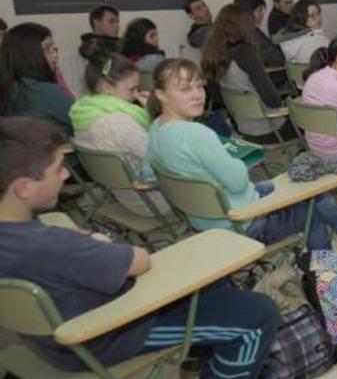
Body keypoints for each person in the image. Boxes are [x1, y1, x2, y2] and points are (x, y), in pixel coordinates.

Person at [0, 116, 283, 377]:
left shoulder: (22, 236)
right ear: (24, 187)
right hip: (105, 337)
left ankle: (204, 350)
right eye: (58, 168)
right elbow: (139, 261)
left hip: (49, 336)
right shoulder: (54, 245)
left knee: (212, 284)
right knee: (259, 316)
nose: (65, 176)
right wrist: (92, 242)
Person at [141, 58, 337, 255]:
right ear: (160, 94)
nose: (197, 94)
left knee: (306, 188)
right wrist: (232, 154)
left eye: (199, 86)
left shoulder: (155, 129)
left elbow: (148, 174)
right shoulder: (197, 134)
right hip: (243, 221)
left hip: (208, 217)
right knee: (314, 207)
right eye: (185, 89)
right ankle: (327, 276)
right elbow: (238, 180)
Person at [69, 47, 169, 217]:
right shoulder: (118, 122)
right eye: (131, 90)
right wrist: (160, 117)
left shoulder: (83, 112)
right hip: (153, 199)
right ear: (107, 87)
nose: (135, 95)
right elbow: (164, 157)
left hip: (123, 196)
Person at [202, 4, 297, 144]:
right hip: (269, 130)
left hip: (242, 127)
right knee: (311, 120)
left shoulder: (213, 54)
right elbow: (273, 101)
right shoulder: (246, 54)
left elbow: (217, 97)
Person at [0, 23, 74, 135]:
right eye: (47, 48)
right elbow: (86, 123)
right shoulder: (46, 92)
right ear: (27, 53)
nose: (55, 55)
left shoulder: (8, 88)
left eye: (54, 48)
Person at [233, 0, 287, 88]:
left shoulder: (230, 31)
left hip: (238, 89)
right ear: (248, 13)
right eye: (259, 10)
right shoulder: (253, 35)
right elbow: (277, 60)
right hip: (264, 85)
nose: (262, 14)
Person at [274, 0, 330, 65]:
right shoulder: (317, 39)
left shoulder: (286, 38)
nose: (318, 19)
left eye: (318, 14)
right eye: (312, 16)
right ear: (302, 18)